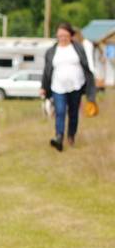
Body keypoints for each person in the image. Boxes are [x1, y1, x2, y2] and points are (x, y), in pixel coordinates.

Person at [40, 22, 97, 152]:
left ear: (71, 36)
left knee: (73, 113)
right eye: (60, 35)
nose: (63, 38)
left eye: (65, 35)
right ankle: (59, 137)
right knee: (59, 111)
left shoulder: (78, 48)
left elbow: (86, 66)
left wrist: (90, 86)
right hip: (57, 86)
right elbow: (47, 70)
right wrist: (43, 86)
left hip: (76, 86)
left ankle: (71, 135)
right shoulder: (51, 51)